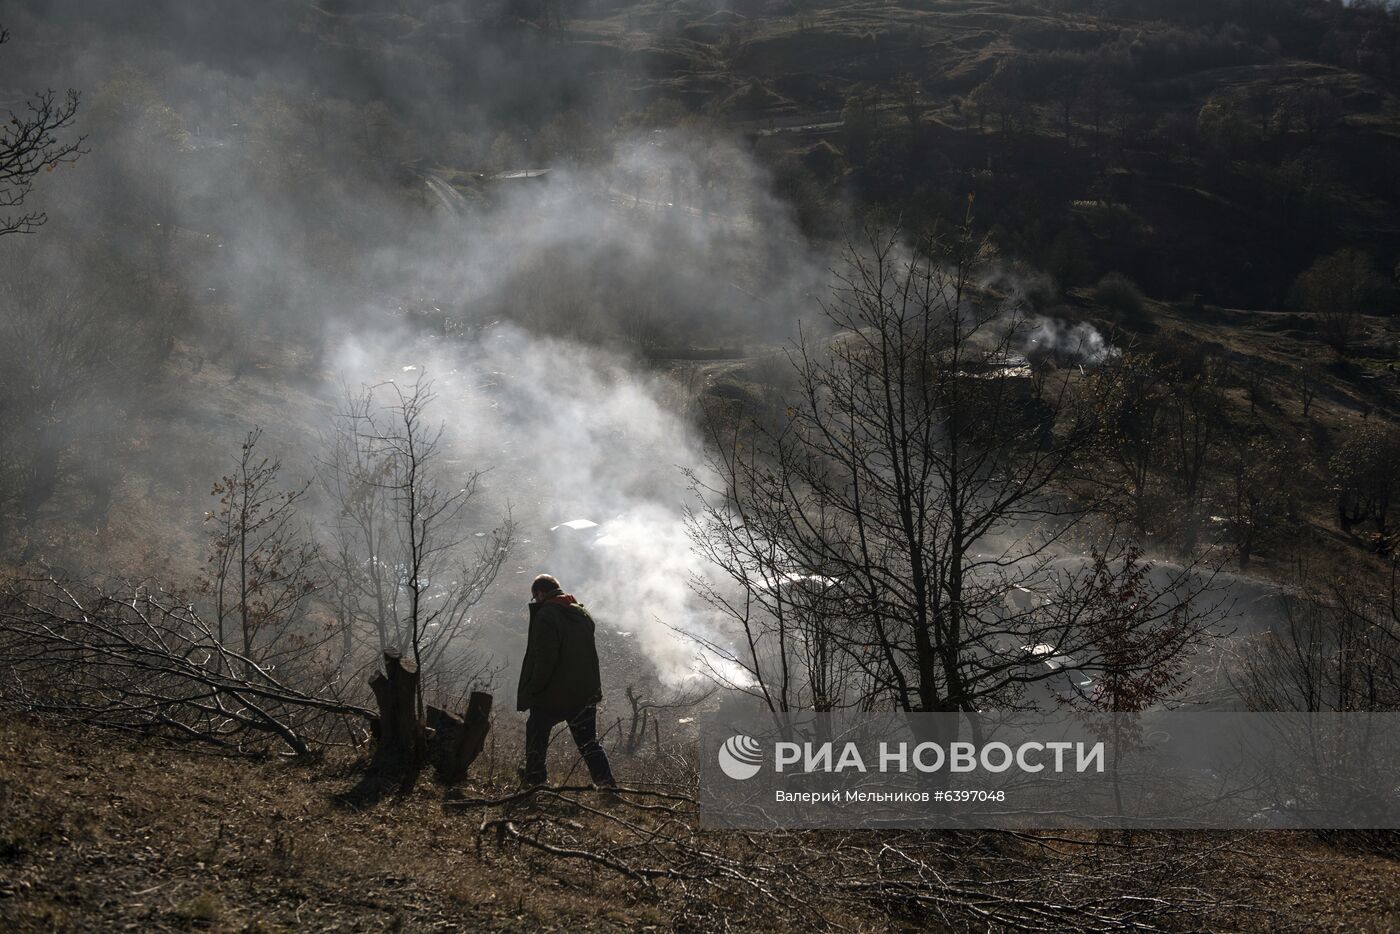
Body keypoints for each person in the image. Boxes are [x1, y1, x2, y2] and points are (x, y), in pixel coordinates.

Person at [517, 573, 615, 788]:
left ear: (540, 593)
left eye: (535, 598)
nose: (535, 602)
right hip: (584, 693)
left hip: (554, 694)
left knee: (536, 730)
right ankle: (608, 787)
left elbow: (545, 658)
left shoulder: (546, 616)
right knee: (588, 742)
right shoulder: (582, 613)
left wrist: (534, 688)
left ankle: (535, 780)